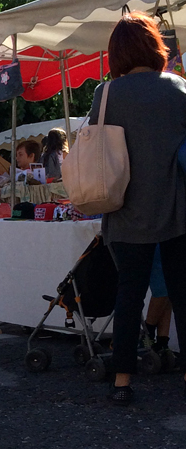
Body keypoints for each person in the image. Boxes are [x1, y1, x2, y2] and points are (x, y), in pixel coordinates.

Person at [88, 12, 186, 404]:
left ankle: (123, 380)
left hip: (126, 207)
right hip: (177, 207)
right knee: (183, 294)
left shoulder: (107, 93)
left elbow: (94, 142)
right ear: (154, 45)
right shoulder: (178, 88)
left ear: (116, 53)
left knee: (129, 295)